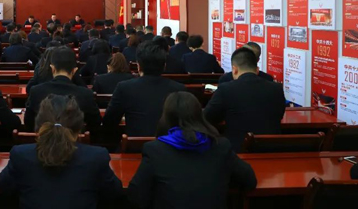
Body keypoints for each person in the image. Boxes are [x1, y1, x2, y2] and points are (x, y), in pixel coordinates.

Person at [128, 91, 257, 209]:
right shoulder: (220, 146)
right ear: (199, 115)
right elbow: (249, 180)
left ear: (166, 117)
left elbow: (136, 195)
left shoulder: (155, 150)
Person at [0, 94, 123, 209]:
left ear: (39, 126)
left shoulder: (21, 154)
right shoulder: (97, 157)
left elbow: (5, 187)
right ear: (79, 127)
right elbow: (114, 192)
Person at [204, 47, 286, 152]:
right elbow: (280, 114)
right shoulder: (276, 88)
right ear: (257, 70)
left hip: (237, 149)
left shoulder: (226, 88)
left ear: (234, 69)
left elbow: (208, 116)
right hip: (271, 147)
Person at [103, 41, 185, 136]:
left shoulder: (124, 87)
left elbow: (109, 121)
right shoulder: (179, 89)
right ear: (164, 66)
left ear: (138, 66)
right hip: (170, 143)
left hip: (135, 143)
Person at [25, 47, 101, 132]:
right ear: (74, 70)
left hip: (44, 138)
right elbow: (95, 124)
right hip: (75, 139)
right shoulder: (86, 94)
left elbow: (28, 123)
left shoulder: (36, 91)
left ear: (52, 68)